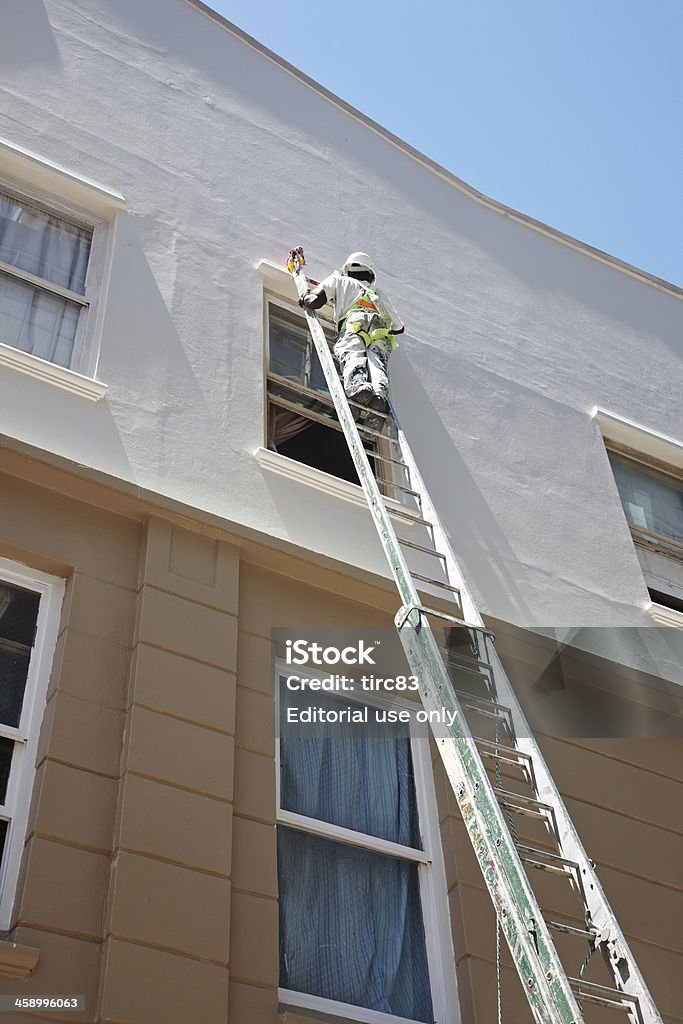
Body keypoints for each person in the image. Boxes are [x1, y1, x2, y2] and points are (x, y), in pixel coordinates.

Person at [299, 252, 404, 415]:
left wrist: (305, 296)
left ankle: (359, 386)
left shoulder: (339, 280)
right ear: (370, 275)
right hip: (380, 331)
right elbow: (398, 328)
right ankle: (379, 395)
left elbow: (315, 301)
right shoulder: (378, 293)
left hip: (355, 323)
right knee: (377, 363)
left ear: (348, 270)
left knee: (352, 353)